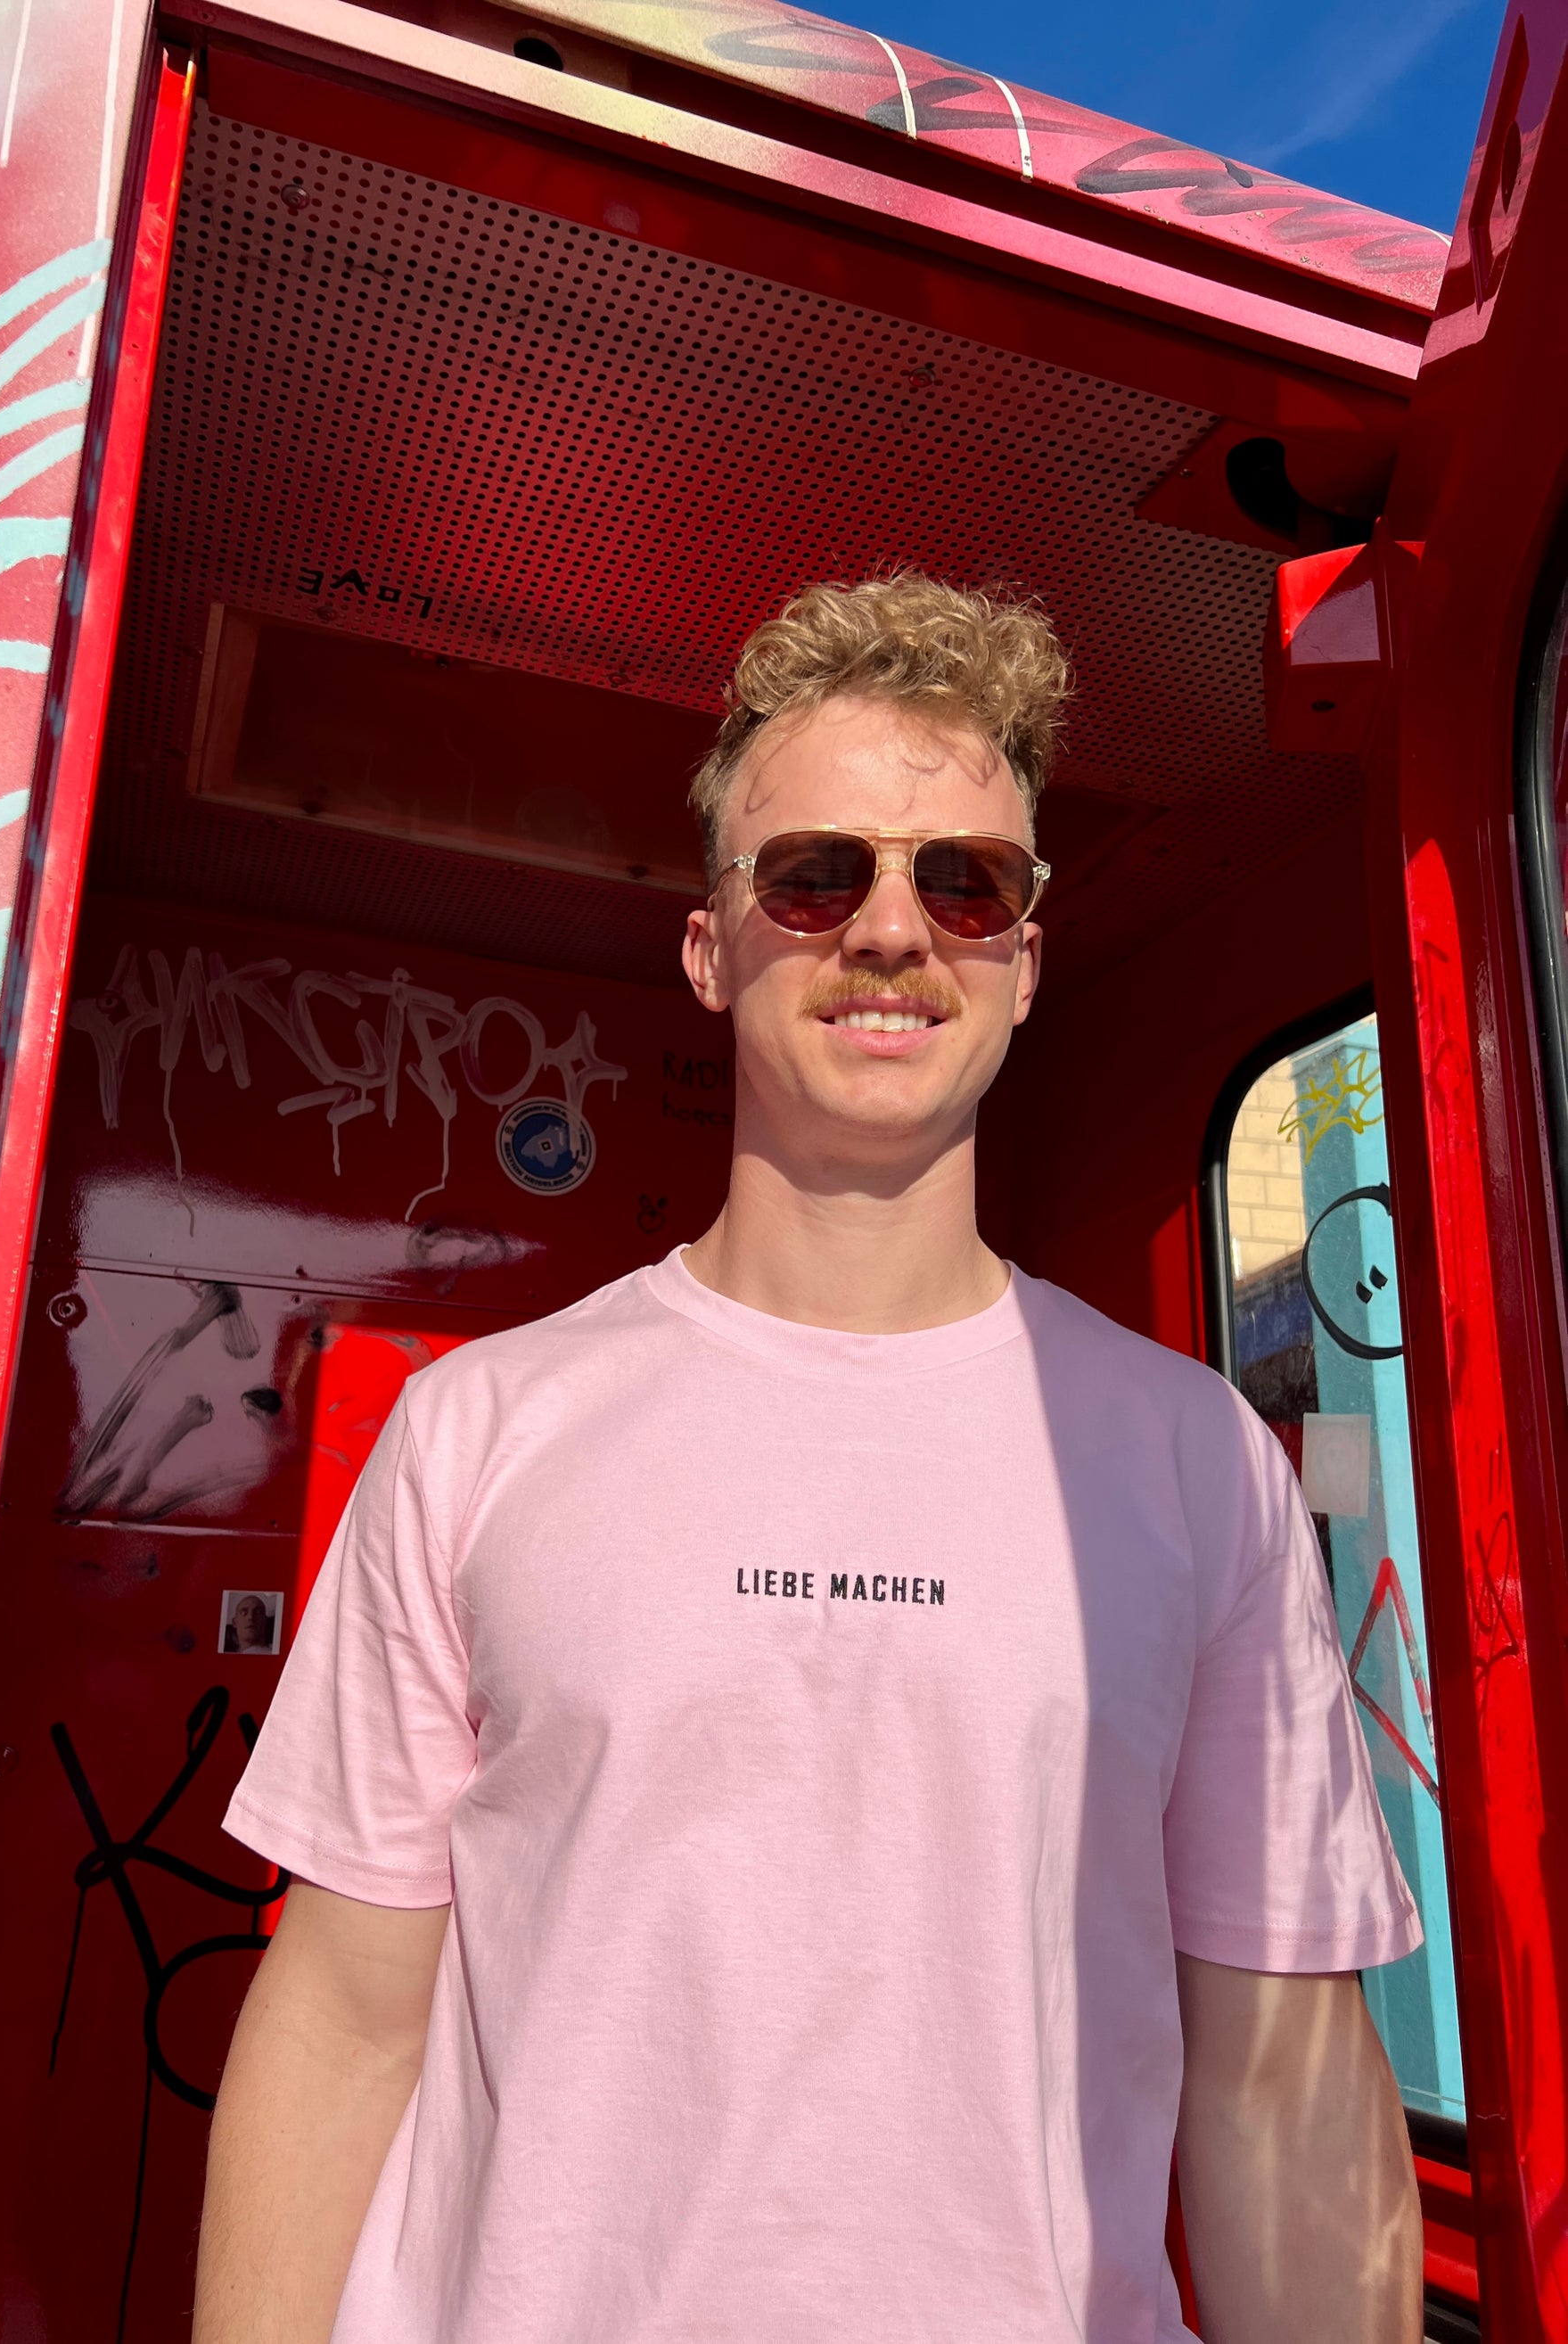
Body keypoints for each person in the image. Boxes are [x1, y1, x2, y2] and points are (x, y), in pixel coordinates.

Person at [195, 574, 1424, 2344]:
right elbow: (342, 2016)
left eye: (965, 881)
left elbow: (1279, 2076)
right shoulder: (481, 1431)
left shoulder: (1197, 1465)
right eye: (815, 874)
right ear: (711, 945)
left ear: (1022, 958)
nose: (892, 931)